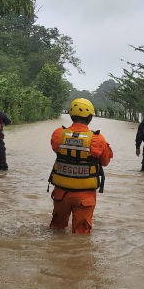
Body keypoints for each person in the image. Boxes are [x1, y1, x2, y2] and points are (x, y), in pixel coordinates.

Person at [47, 98, 113, 234]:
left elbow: (56, 148)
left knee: (56, 230)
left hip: (61, 194)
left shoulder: (58, 134)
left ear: (71, 116)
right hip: (85, 197)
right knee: (81, 236)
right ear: (90, 117)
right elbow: (105, 162)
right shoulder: (97, 139)